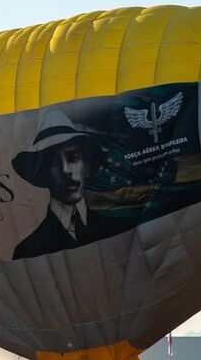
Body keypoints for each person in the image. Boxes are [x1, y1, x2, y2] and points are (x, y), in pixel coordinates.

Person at [11, 108, 133, 259]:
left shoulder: (120, 229)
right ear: (42, 174)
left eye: (73, 158)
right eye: (53, 163)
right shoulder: (28, 251)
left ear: (87, 166)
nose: (66, 170)